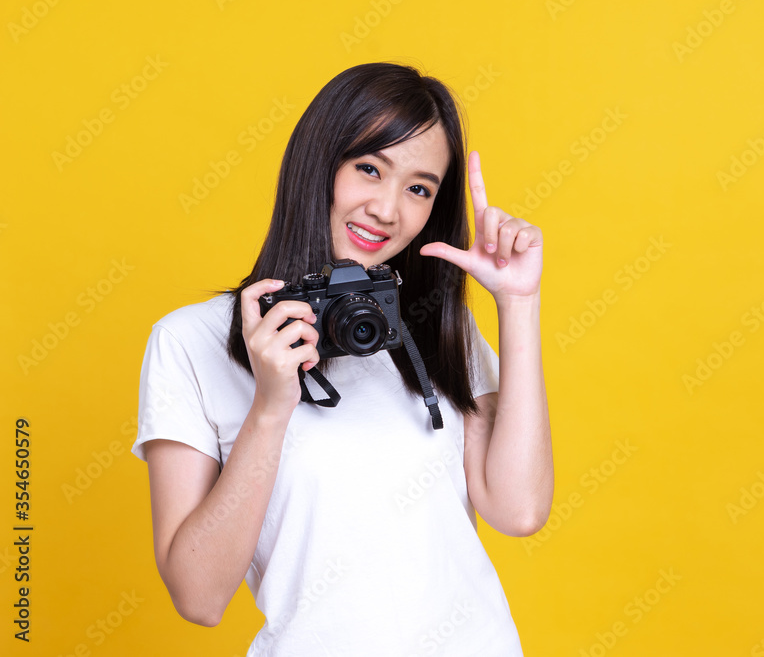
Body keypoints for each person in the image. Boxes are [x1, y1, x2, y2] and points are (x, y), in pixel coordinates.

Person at [130, 62, 553, 655]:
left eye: (419, 188)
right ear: (318, 164)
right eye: (369, 168)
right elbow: (198, 597)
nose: (387, 208)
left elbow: (520, 509)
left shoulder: (434, 330)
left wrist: (518, 301)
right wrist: (271, 407)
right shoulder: (189, 342)